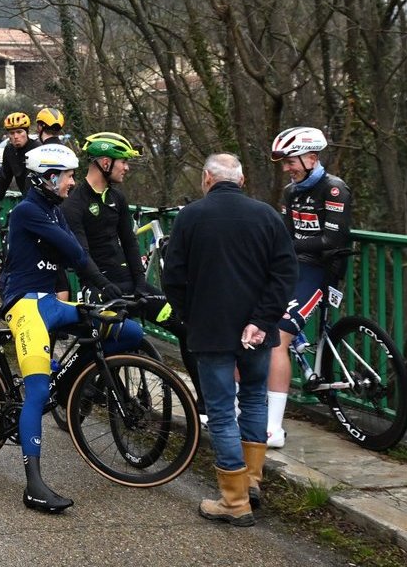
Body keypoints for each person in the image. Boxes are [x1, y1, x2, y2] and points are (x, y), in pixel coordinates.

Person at [1, 143, 143, 513]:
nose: (72, 182)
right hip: (25, 305)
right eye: (67, 176)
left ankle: (71, 386)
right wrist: (105, 284)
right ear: (48, 177)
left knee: (128, 332)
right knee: (35, 392)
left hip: (50, 303)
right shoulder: (29, 211)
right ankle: (33, 485)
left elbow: (76, 255)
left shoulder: (52, 208)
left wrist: (108, 291)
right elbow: (75, 252)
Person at [161, 153, 297, 526]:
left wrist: (189, 315)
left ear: (206, 178)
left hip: (210, 329)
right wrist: (262, 319)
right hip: (257, 330)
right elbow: (285, 273)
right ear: (242, 179)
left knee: (221, 411)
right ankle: (252, 482)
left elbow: (172, 276)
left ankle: (234, 501)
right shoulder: (267, 215)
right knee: (254, 399)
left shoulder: (190, 217)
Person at [62, 132, 204, 412]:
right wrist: (103, 284)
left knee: (185, 326)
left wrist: (140, 282)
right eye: (122, 162)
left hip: (128, 283)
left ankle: (205, 404)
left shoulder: (118, 198)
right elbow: (82, 256)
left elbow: (129, 243)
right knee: (104, 339)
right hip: (98, 286)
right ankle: (78, 387)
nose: (126, 168)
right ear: (104, 162)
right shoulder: (74, 204)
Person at [267, 126, 353, 448]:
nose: (287, 168)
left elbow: (333, 239)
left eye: (291, 161)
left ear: (312, 157)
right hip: (294, 267)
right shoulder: (292, 192)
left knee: (277, 336)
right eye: (285, 162)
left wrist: (294, 245)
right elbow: (288, 234)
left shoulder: (334, 190)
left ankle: (272, 429)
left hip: (321, 271)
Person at [0, 112, 36, 200]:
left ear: (26, 133)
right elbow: (4, 179)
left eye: (19, 132)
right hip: (25, 199)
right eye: (12, 133)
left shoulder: (36, 148)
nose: (16, 136)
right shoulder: (9, 150)